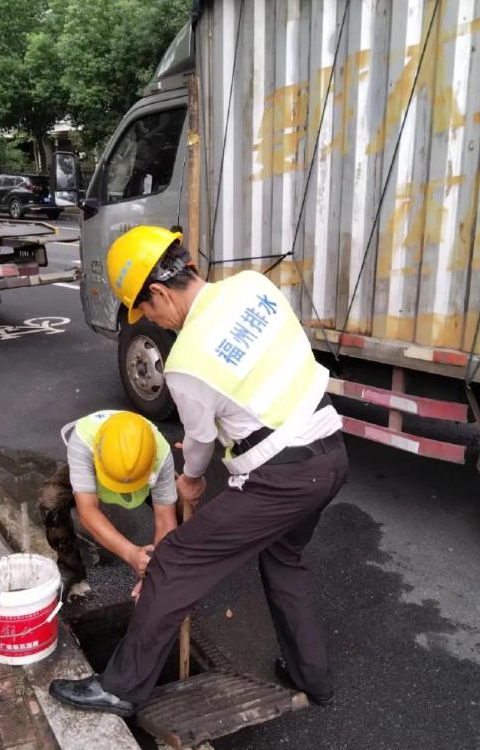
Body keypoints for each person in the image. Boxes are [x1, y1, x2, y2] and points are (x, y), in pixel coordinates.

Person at [49, 227, 348, 717]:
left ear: (161, 293)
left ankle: (121, 687)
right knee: (283, 560)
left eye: (146, 309)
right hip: (331, 455)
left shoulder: (186, 362)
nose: (152, 320)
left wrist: (191, 477)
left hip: (283, 477)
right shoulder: (254, 285)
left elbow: (201, 444)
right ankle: (312, 679)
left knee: (175, 561)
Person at [40, 409, 177, 607]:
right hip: (98, 468)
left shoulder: (160, 453)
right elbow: (87, 511)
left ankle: (170, 570)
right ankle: (70, 568)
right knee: (50, 501)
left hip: (145, 475)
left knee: (178, 506)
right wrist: (131, 553)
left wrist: (152, 575)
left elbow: (165, 520)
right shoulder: (83, 441)